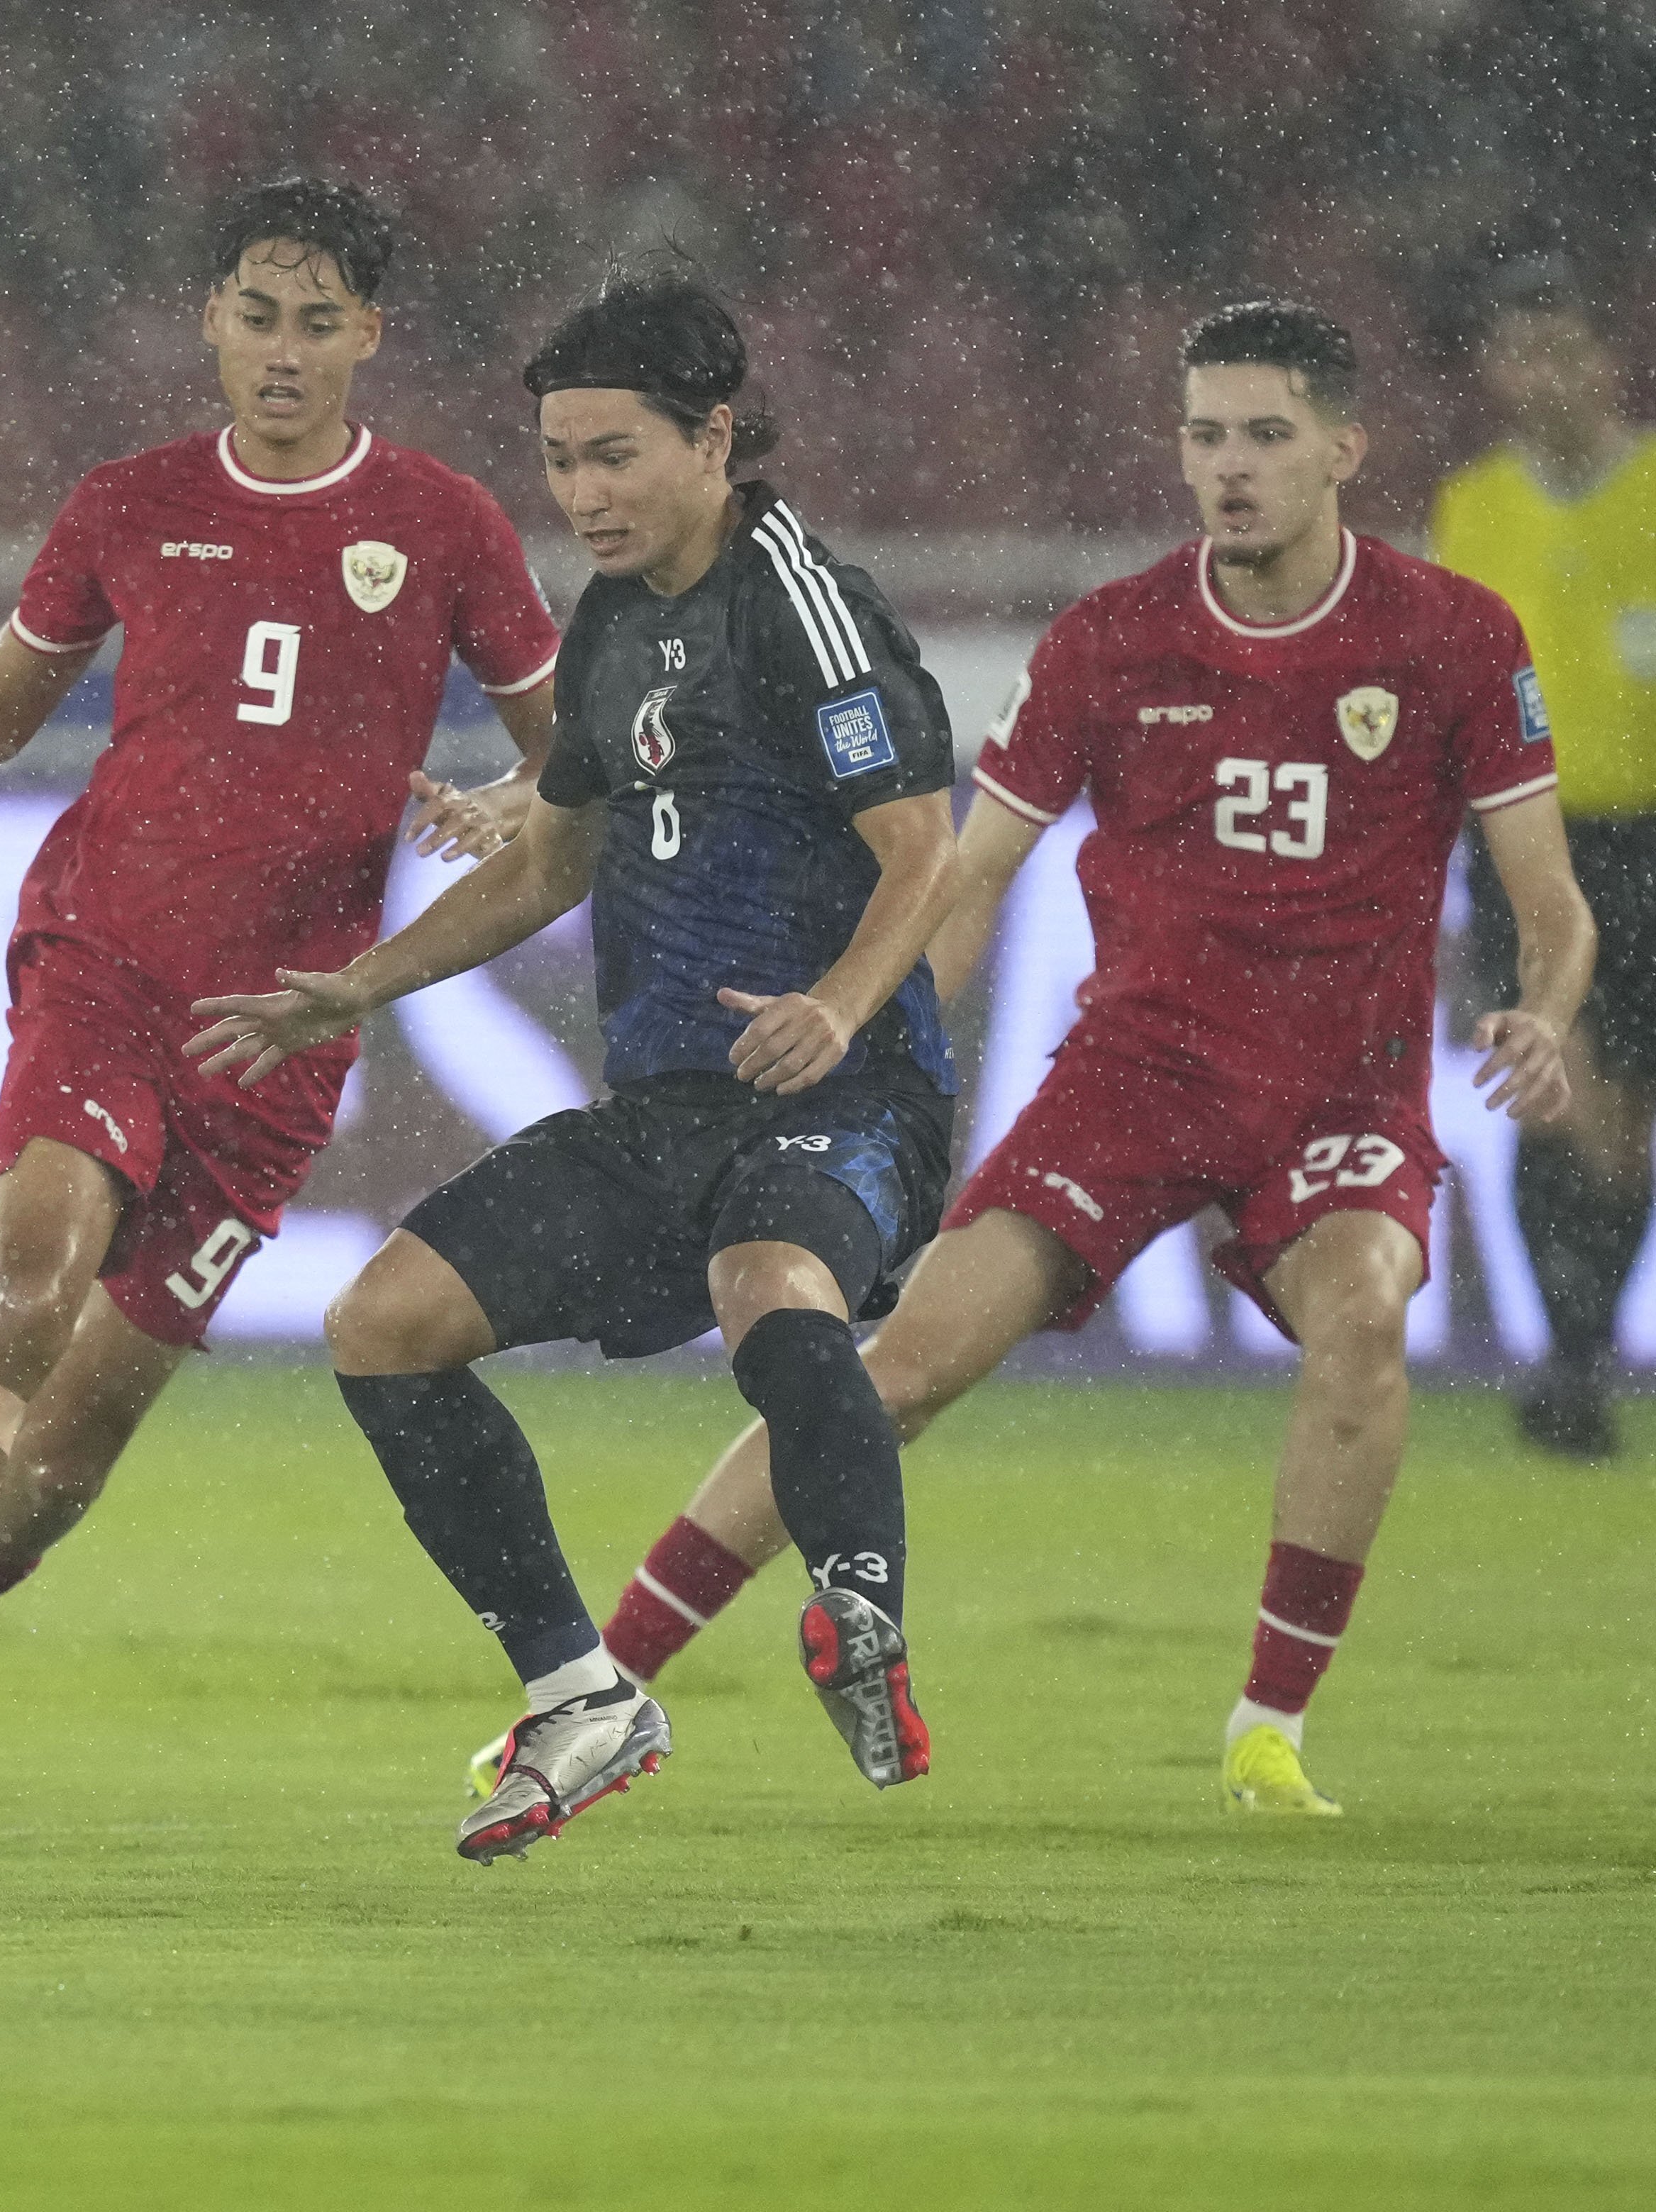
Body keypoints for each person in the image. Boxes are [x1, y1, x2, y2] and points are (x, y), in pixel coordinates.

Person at [593, 299, 1594, 1818]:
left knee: (1365, 1326)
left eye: (1266, 435)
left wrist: (1547, 1006)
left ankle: (1268, 1729)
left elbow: (1550, 903)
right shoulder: (1113, 642)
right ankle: (602, 1686)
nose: (1230, 467)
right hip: (1133, 1084)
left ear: (1345, 448)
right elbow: (971, 874)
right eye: (1206, 435)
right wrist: (873, 1039)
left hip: (1341, 1090)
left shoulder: (1453, 639)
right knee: (897, 1376)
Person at [0, 177, 565, 1845]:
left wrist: (525, 803)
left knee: (73, 1448)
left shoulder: (447, 528)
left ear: (371, 337)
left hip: (281, 1032)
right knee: (32, 1272)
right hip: (100, 959)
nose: (285, 352)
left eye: (320, 324)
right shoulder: (127, 505)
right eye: (258, 316)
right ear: (211, 322)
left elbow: (566, 755)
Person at [189, 268, 962, 1860]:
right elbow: (553, 861)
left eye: (615, 455)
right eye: (560, 458)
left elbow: (920, 846)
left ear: (715, 439)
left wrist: (832, 1004)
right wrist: (360, 987)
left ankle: (862, 1612)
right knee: (384, 1324)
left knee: (772, 1293)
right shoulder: (613, 623)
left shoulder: (801, 599)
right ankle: (583, 1696)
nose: (584, 495)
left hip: (844, 1092)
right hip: (667, 1104)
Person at [1438, 263, 1656, 1457]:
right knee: (1555, 1087)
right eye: (1523, 355)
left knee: (1627, 1126)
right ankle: (1569, 1360)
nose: (1546, 378)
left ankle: (1579, 1357)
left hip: (1652, 841)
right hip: (1528, 836)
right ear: (1497, 371)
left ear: (1606, 360)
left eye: (1567, 352)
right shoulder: (1476, 505)